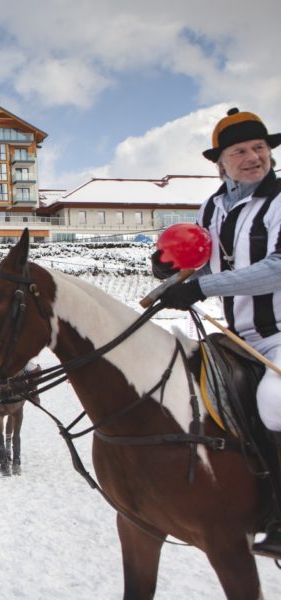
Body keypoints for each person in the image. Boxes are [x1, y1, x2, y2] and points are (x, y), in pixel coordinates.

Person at [153, 107, 281, 558]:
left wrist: (202, 286)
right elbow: (204, 260)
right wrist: (171, 272)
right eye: (241, 151)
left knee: (275, 399)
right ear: (220, 163)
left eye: (260, 148)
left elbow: (277, 268)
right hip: (236, 333)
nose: (254, 157)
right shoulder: (213, 205)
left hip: (279, 334)